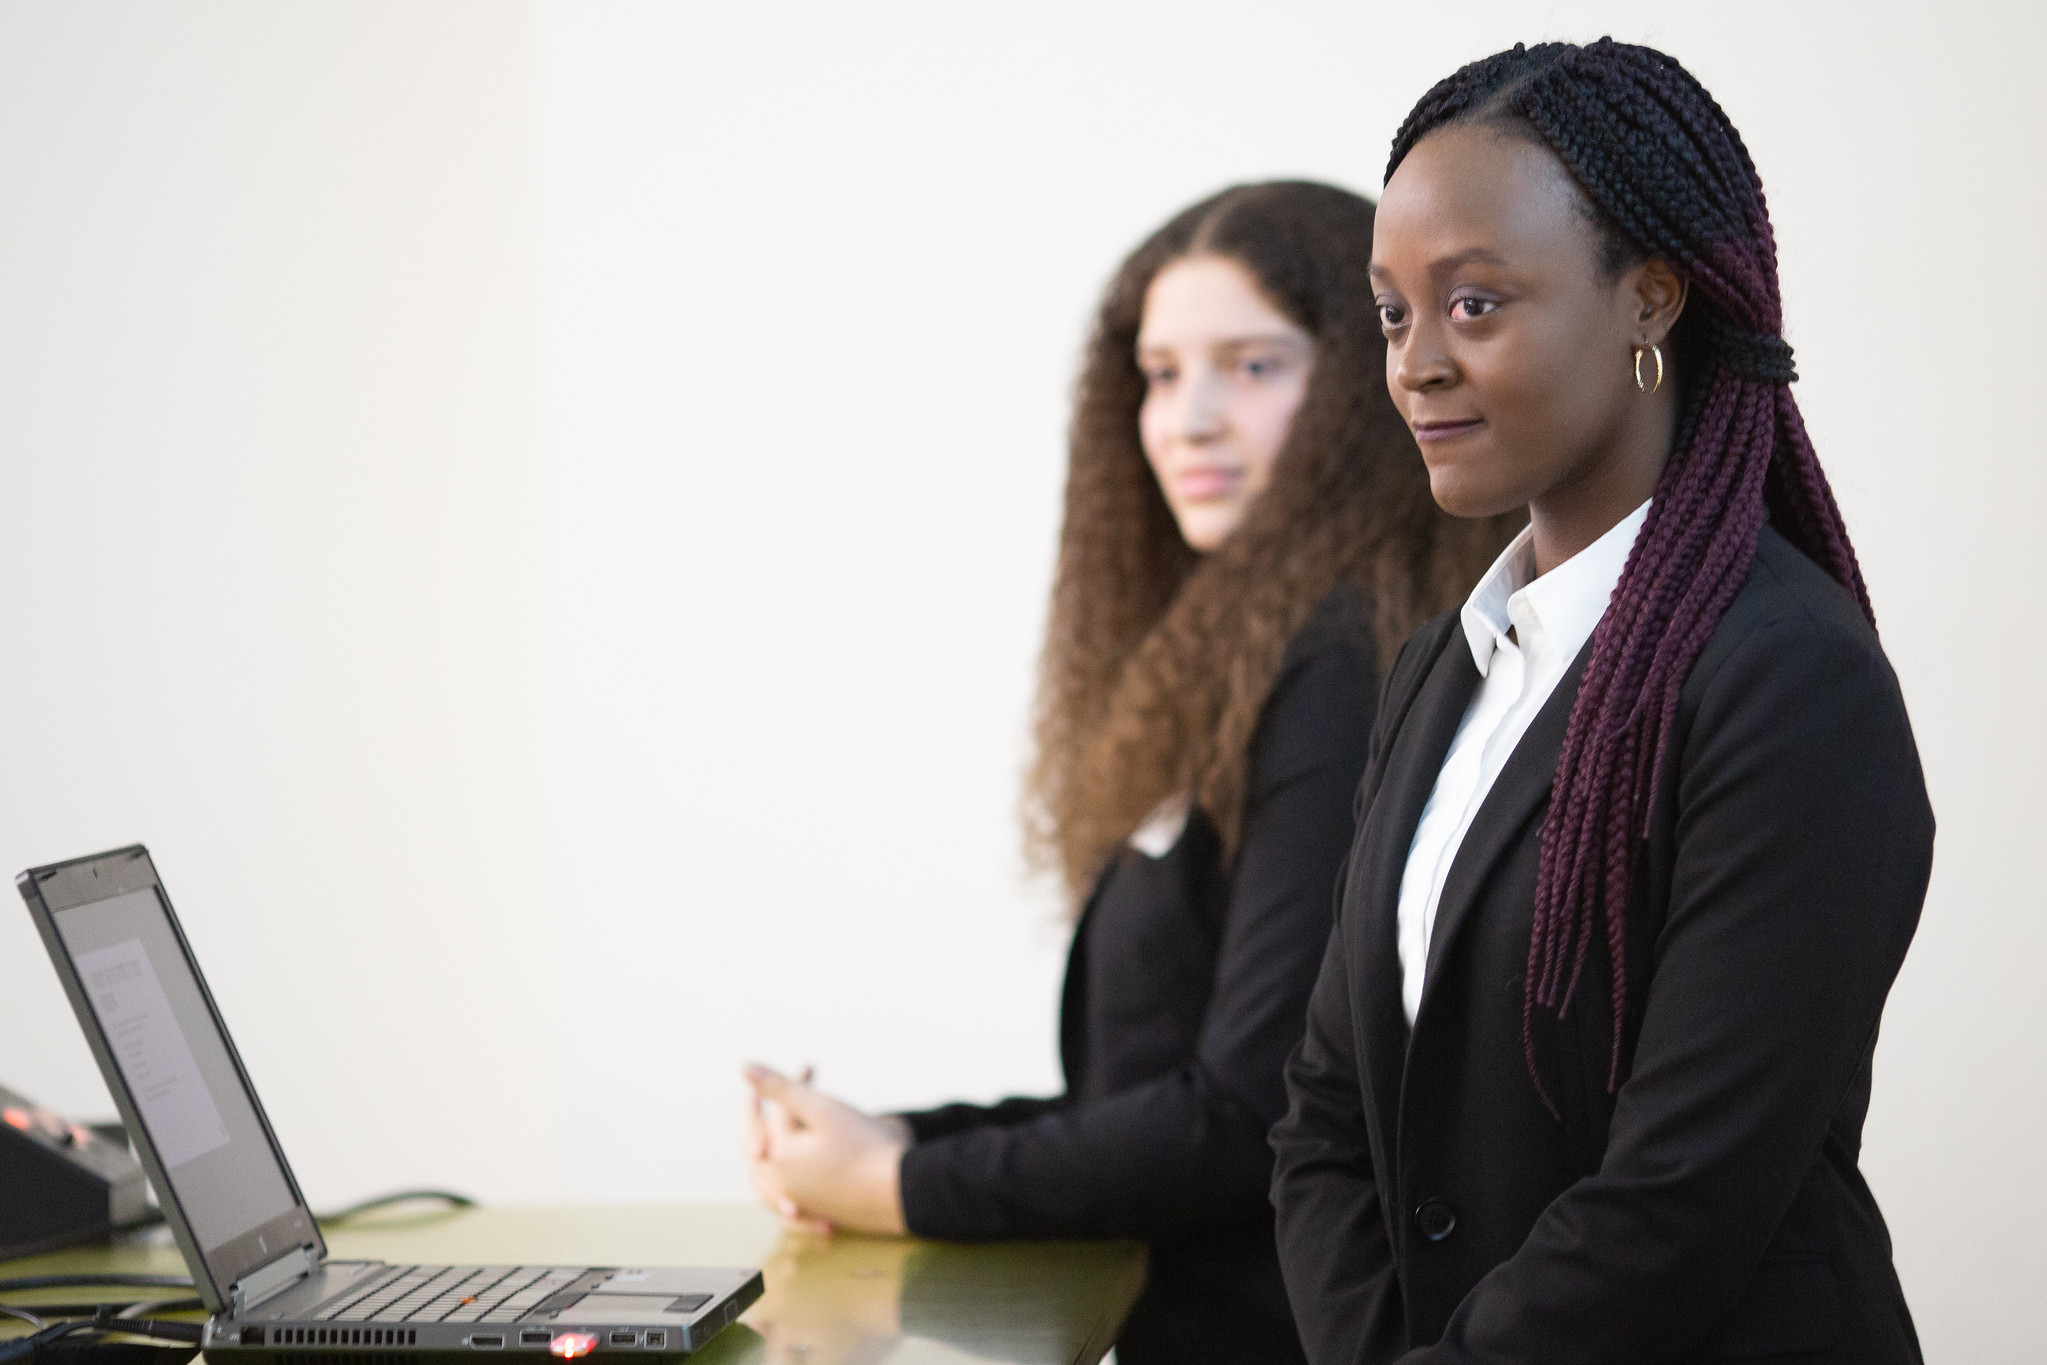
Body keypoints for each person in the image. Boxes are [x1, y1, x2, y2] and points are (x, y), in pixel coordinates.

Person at [741, 181, 1518, 1364]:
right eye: (1160, 373)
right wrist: (896, 1141)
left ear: (1369, 389)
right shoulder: (1255, 652)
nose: (1189, 418)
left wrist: (904, 1186)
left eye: (1252, 367)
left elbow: (1246, 1112)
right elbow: (1153, 1089)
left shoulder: (1342, 661)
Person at [1269, 39, 1934, 1365]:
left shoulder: (1785, 679)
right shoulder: (1441, 668)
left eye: (1473, 305)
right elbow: (1324, 1116)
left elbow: (1675, 1202)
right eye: (1392, 313)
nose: (1411, 365)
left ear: (1646, 300)